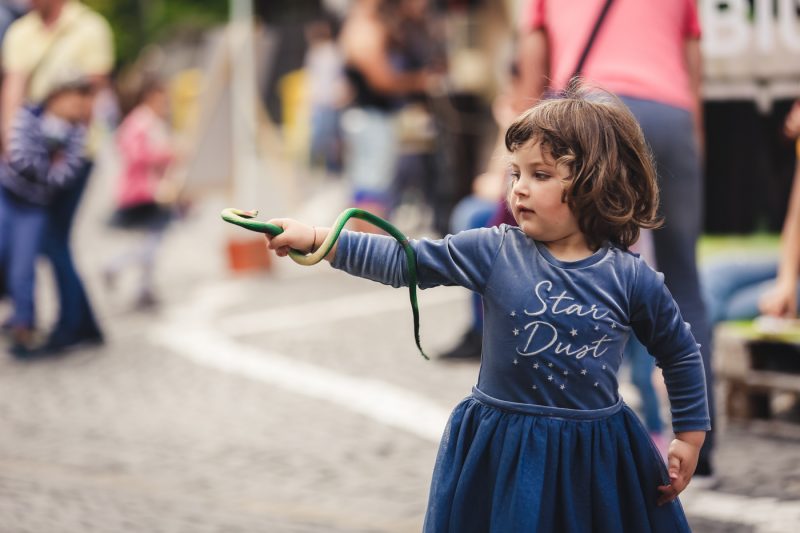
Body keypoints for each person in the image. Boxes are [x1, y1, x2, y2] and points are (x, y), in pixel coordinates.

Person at [264, 87, 710, 531]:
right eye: (515, 173)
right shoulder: (495, 250)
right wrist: (318, 239)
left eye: (540, 174)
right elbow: (407, 261)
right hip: (503, 450)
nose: (518, 189)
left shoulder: (630, 277)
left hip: (594, 456)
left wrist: (690, 436)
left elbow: (680, 352)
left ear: (594, 180)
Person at [489, 0, 717, 483]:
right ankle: (698, 438)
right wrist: (690, 140)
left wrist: (517, 157)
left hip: (591, 115)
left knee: (583, 271)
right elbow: (693, 64)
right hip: (670, 112)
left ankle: (574, 425)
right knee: (680, 282)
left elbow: (533, 62)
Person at [1, 0, 113, 354]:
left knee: (52, 239)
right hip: (29, 151)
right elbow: (13, 90)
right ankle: (82, 323)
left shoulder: (89, 28)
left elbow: (89, 99)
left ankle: (73, 326)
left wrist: (63, 148)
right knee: (49, 241)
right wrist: (9, 143)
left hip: (73, 155)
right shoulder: (21, 32)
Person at [0, 71, 91, 356]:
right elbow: (19, 156)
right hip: (6, 196)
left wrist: (46, 164)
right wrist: (50, 159)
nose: (77, 109)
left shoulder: (76, 134)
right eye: (74, 102)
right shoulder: (29, 115)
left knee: (23, 267)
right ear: (56, 96)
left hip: (35, 207)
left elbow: (64, 176)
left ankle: (23, 326)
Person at [702, 100, 800, 324]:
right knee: (711, 277)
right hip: (792, 266)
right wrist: (787, 280)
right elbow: (796, 215)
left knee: (719, 308)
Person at [338, 0, 432, 230]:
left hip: (367, 119)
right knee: (372, 190)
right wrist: (420, 81)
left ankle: (362, 251)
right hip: (372, 120)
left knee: (367, 187)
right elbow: (382, 80)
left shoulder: (360, 26)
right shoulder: (366, 29)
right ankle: (368, 253)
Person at [101, 78, 176, 310]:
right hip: (143, 191)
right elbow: (136, 156)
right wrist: (168, 154)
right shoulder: (141, 122)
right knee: (151, 241)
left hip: (151, 189)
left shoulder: (150, 121)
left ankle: (142, 287)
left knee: (151, 239)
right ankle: (116, 268)